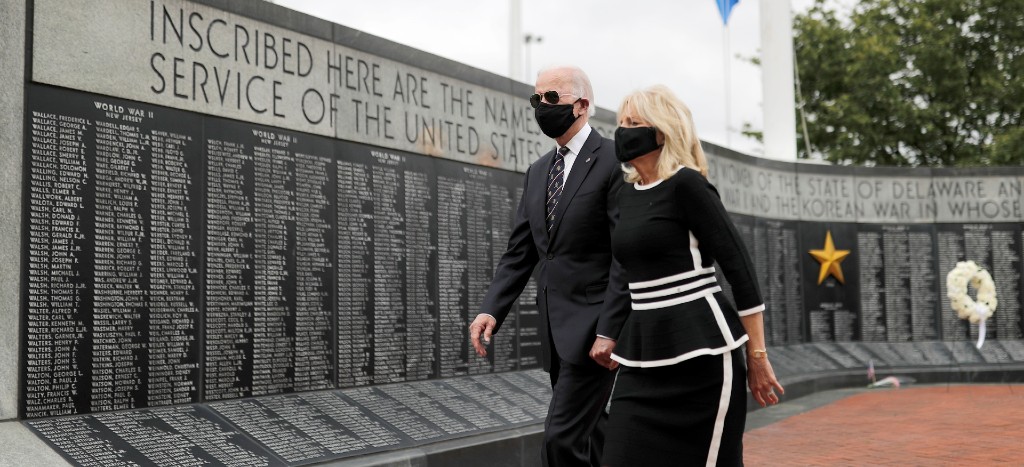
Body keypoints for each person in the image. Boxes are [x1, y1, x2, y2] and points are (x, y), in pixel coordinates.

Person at [601, 85, 784, 467]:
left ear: (662, 130)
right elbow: (625, 272)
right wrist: (609, 330)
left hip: (704, 357)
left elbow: (740, 270)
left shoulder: (688, 185)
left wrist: (757, 355)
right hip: (642, 356)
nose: (622, 131)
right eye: (621, 122)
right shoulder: (626, 193)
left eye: (633, 122)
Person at [468, 65, 630, 467]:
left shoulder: (614, 161)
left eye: (552, 98)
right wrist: (491, 309)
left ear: (582, 105)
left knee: (561, 439)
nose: (542, 105)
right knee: (592, 432)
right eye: (537, 98)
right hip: (556, 333)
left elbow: (625, 254)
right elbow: (520, 252)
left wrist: (611, 329)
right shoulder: (538, 171)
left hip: (596, 332)